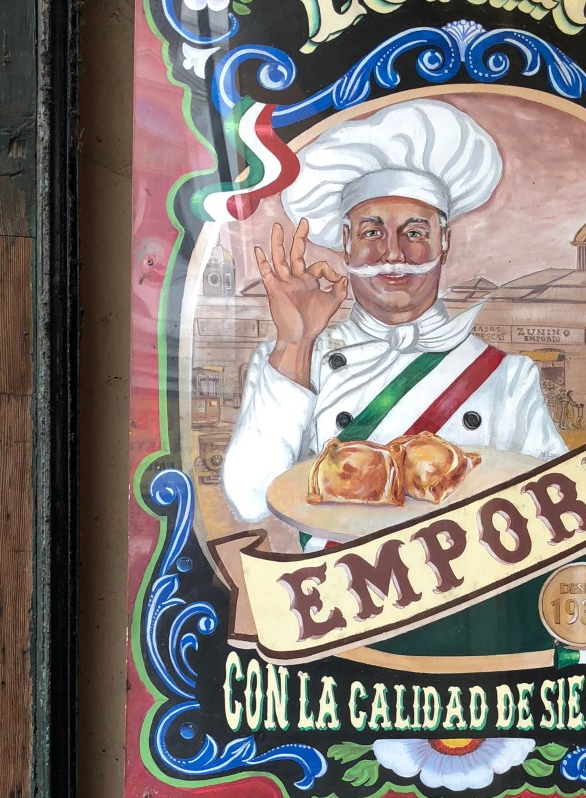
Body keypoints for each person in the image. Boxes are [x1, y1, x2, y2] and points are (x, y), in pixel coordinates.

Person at [220, 99, 567, 525]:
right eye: (372, 232)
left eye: (415, 233)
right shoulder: (294, 362)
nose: (393, 253)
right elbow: (250, 501)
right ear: (346, 243)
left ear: (444, 242)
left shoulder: (508, 377)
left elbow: (557, 508)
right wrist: (296, 342)